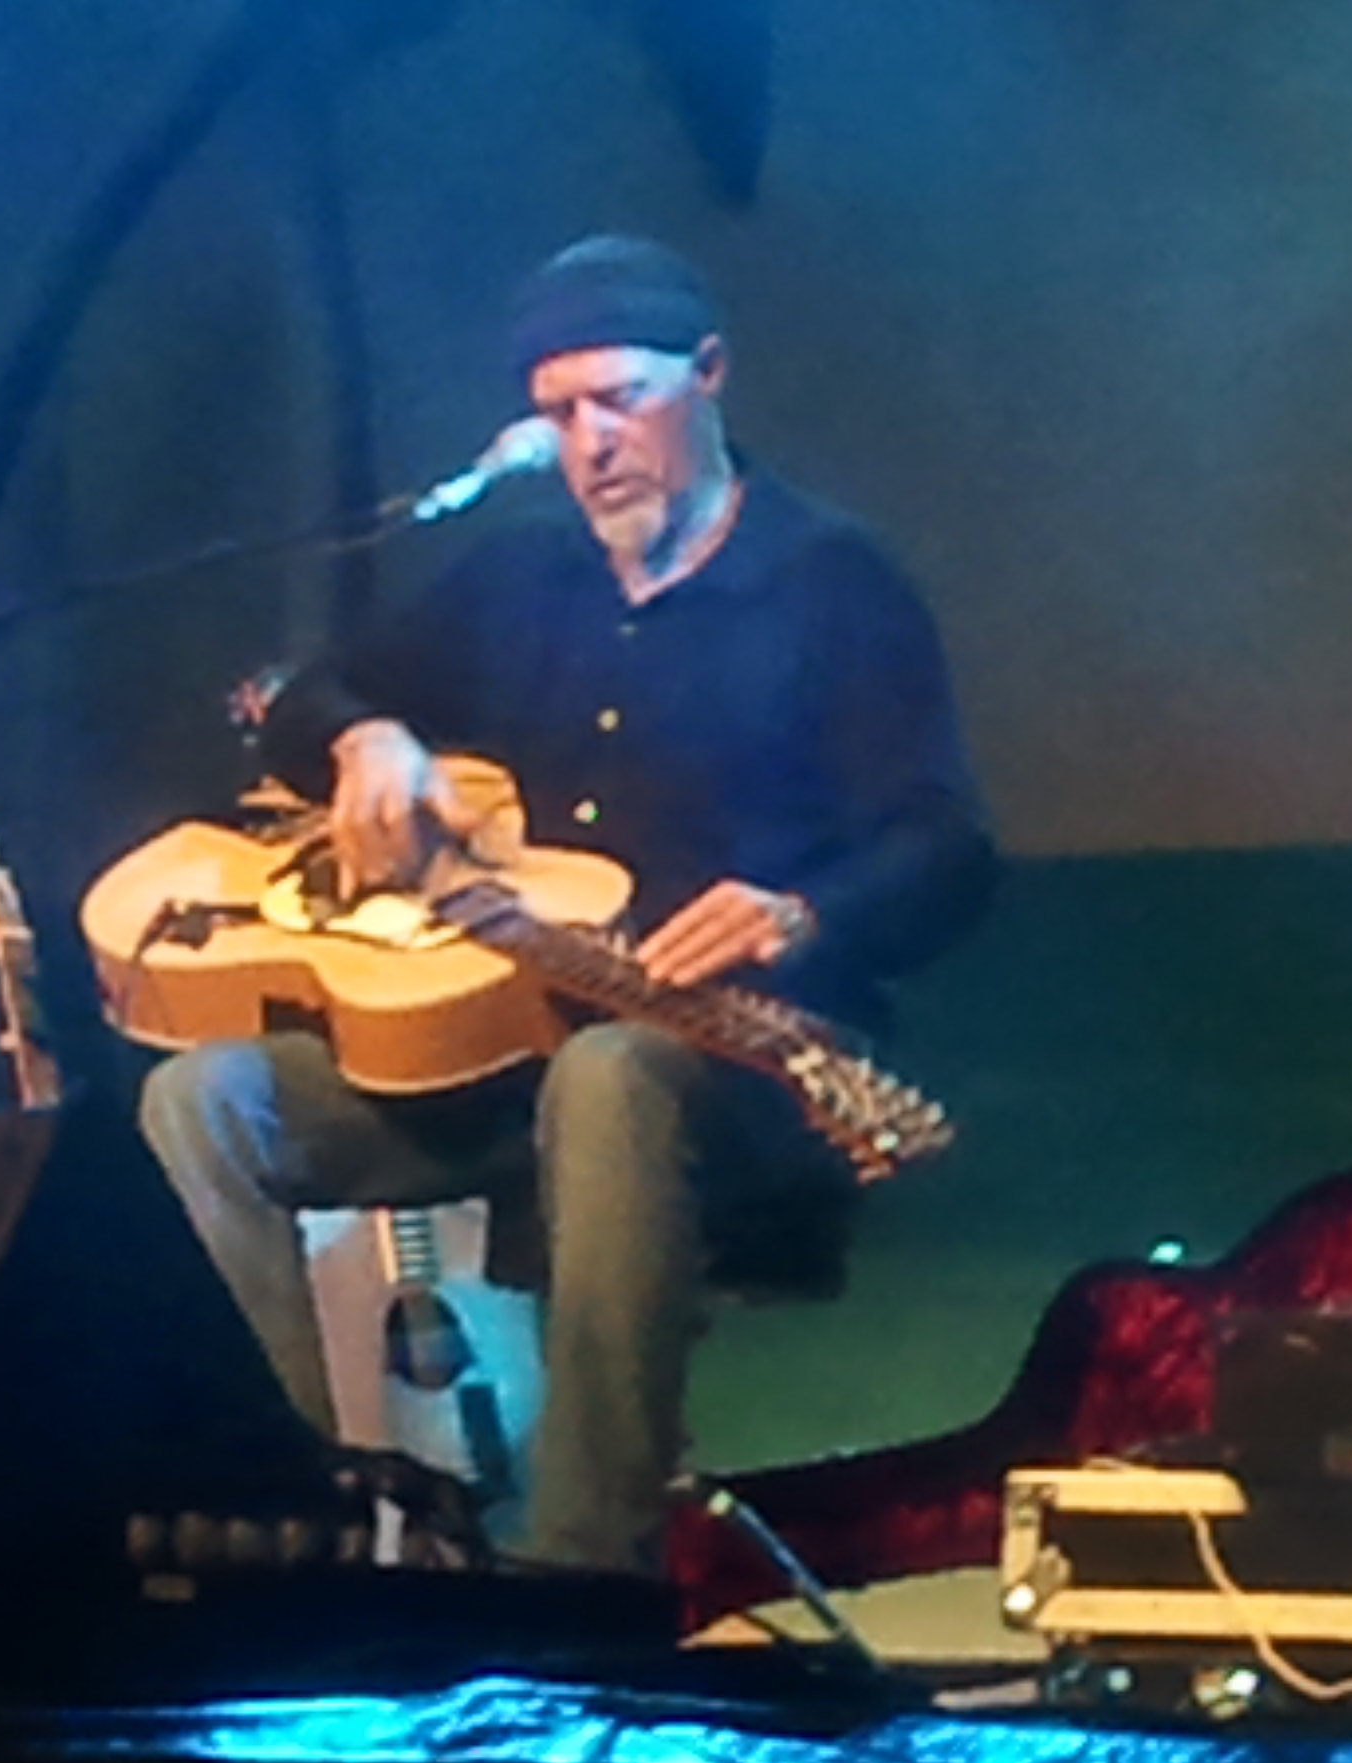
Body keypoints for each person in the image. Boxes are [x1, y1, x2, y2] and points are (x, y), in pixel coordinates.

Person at [140, 235, 996, 1575]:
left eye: (621, 399)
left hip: (736, 1070)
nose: (591, 443)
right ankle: (303, 1519)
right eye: (557, 415)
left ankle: (585, 1568)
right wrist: (364, 739)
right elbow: (300, 699)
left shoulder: (832, 580)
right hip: (495, 1057)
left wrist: (801, 911)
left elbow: (948, 846)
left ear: (709, 377)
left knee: (609, 1074)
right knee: (204, 1102)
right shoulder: (519, 580)